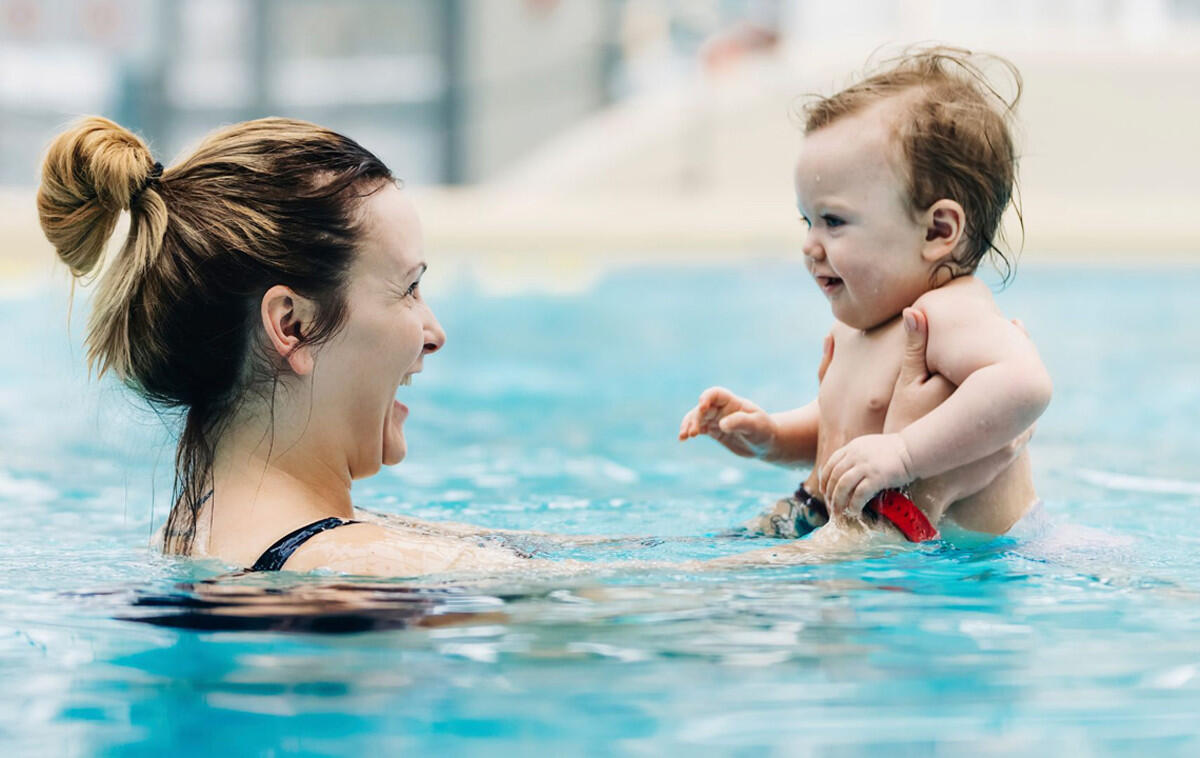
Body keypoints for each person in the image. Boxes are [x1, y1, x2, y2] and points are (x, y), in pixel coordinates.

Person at [38, 115, 1026, 577]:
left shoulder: (199, 535)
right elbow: (668, 642)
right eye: (412, 288)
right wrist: (877, 535)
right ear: (291, 326)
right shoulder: (359, 571)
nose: (435, 330)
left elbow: (591, 570)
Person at [679, 47, 1052, 543]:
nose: (810, 244)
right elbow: (844, 426)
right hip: (839, 521)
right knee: (702, 555)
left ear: (937, 230)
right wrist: (770, 437)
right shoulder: (861, 325)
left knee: (713, 577)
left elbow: (1026, 384)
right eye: (807, 220)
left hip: (950, 560)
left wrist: (904, 453)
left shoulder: (947, 310)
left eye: (833, 221)